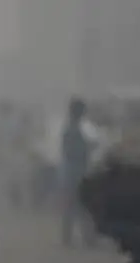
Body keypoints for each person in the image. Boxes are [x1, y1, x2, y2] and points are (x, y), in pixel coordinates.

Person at [60, 97, 96, 247]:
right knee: (81, 206)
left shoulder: (71, 128)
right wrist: (88, 148)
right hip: (75, 173)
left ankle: (71, 238)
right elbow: (71, 151)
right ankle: (84, 238)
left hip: (72, 173)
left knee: (75, 207)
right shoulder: (72, 130)